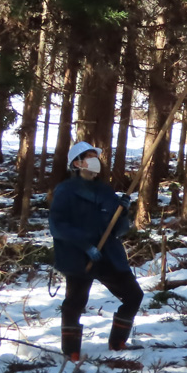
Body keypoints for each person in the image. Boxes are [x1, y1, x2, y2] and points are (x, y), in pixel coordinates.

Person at [50, 142, 142, 360]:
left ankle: (118, 341)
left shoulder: (105, 191)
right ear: (77, 163)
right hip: (78, 256)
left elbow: (117, 229)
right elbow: (58, 225)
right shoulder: (65, 191)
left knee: (133, 295)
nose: (94, 160)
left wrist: (122, 213)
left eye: (95, 156)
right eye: (89, 156)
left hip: (108, 255)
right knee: (75, 302)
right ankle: (71, 350)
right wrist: (85, 245)